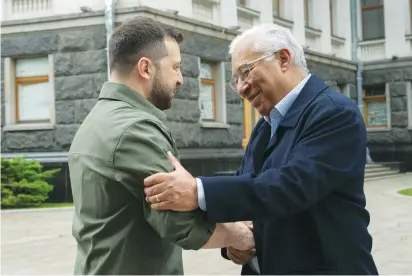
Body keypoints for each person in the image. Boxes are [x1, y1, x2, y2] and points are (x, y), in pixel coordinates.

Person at [143, 23, 379, 275]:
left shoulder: (334, 112)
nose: (242, 88)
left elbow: (289, 187)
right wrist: (235, 242)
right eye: (236, 81)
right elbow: (249, 188)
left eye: (246, 72)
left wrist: (197, 191)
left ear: (284, 59)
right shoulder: (266, 124)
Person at [68, 17, 254, 275]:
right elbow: (179, 223)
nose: (180, 79)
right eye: (176, 67)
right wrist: (242, 237)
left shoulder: (96, 120)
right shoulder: (135, 130)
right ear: (146, 68)